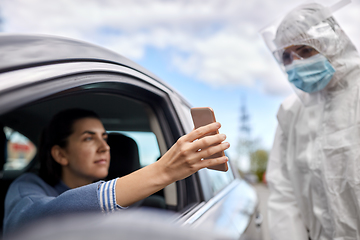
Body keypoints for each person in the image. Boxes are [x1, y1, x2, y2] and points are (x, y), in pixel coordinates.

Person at [3, 108, 230, 235]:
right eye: (88, 138)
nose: (104, 146)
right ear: (60, 154)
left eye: (104, 137)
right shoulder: (28, 186)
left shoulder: (134, 199)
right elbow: (28, 225)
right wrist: (164, 171)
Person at [263, 2, 360, 240]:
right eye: (286, 56)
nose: (295, 63)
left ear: (332, 43)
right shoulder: (291, 112)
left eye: (305, 50)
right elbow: (283, 194)